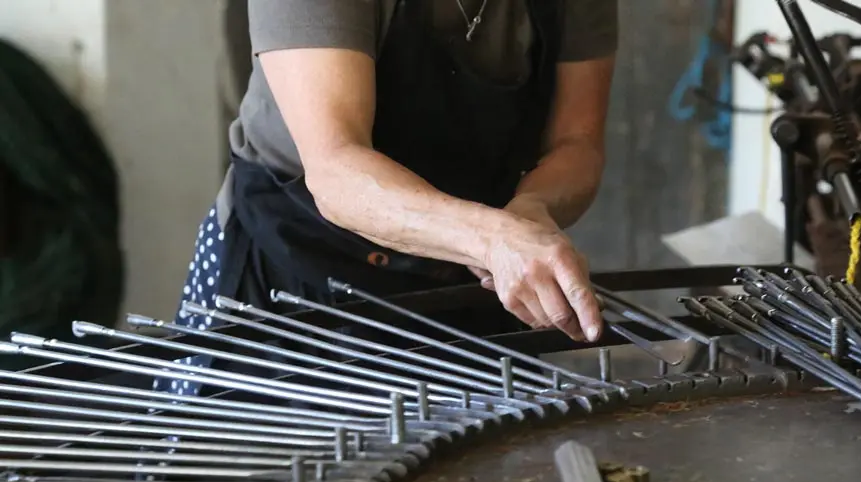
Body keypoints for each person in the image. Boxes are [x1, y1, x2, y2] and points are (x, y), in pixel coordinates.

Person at [159, 0, 618, 397]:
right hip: (298, 278)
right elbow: (336, 168)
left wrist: (530, 213)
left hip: (468, 279)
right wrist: (492, 238)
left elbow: (577, 144)